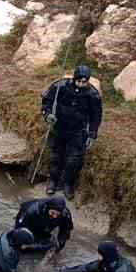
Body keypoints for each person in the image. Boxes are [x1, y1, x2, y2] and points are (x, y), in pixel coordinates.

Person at [40, 64, 103, 199]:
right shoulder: (60, 87)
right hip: (59, 127)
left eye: (84, 82)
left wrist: (92, 134)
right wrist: (48, 115)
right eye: (79, 81)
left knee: (74, 159)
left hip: (78, 131)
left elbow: (96, 116)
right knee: (56, 156)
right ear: (74, 79)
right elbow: (47, 102)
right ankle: (52, 181)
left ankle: (68, 183)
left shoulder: (92, 95)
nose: (81, 84)